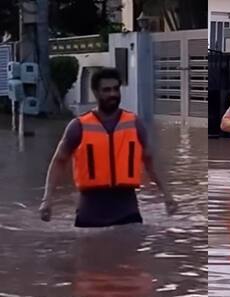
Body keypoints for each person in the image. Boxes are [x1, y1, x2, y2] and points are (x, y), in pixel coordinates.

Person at [39, 68, 176, 227]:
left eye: (116, 89)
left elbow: (150, 162)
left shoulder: (134, 124)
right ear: (96, 93)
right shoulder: (78, 126)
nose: (113, 94)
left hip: (127, 211)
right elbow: (59, 162)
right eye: (106, 90)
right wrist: (47, 200)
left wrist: (168, 196)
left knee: (133, 251)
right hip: (90, 212)